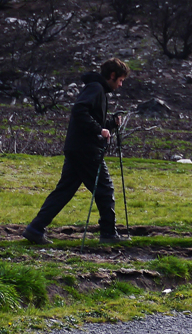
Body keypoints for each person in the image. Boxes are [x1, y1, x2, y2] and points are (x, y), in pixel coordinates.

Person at [23, 58, 130, 245]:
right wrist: (100, 130)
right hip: (87, 150)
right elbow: (79, 111)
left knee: (64, 191)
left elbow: (90, 118)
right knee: (105, 189)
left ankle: (35, 228)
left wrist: (110, 124)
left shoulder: (97, 89)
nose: (121, 85)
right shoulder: (96, 89)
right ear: (112, 76)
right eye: (120, 80)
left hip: (77, 148)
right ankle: (108, 233)